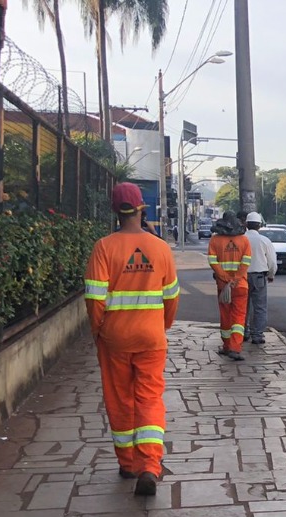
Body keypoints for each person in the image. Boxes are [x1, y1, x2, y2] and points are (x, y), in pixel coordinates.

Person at [84, 182, 180, 496]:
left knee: (120, 399)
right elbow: (172, 296)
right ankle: (150, 465)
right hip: (151, 338)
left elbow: (94, 298)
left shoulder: (103, 247)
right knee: (149, 399)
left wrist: (98, 331)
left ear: (115, 210)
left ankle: (127, 464)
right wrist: (162, 326)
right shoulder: (160, 248)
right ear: (141, 209)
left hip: (114, 338)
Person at [208, 211, 251, 360]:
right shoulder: (244, 240)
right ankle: (235, 348)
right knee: (239, 317)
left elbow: (212, 261)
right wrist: (236, 278)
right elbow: (246, 262)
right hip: (240, 285)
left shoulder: (215, 240)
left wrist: (225, 278)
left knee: (225, 316)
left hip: (223, 287)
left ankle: (226, 346)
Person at [243, 212, 277, 344]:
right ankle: (257, 335)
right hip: (258, 277)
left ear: (246, 224)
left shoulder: (240, 239)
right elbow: (272, 262)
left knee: (242, 306)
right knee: (259, 307)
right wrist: (271, 275)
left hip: (242, 276)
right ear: (259, 226)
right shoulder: (264, 240)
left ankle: (243, 332)